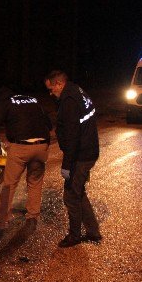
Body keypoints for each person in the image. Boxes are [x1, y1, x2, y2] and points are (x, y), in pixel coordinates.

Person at [0, 85, 52, 231]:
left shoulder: (5, 103)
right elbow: (49, 124)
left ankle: (1, 220)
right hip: (42, 146)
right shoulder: (33, 100)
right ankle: (32, 217)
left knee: (10, 184)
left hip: (21, 148)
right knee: (34, 182)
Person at [44, 70, 102, 247]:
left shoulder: (69, 101)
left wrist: (67, 165)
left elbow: (72, 137)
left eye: (51, 89)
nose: (51, 93)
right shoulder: (78, 91)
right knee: (78, 192)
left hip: (80, 155)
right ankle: (93, 231)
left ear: (59, 84)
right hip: (89, 150)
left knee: (70, 196)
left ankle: (74, 235)